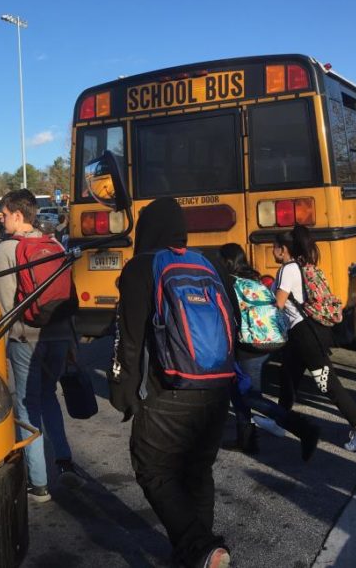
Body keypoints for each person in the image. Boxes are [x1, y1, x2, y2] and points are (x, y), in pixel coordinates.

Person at [112, 198, 231, 568]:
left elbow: (129, 341)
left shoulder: (140, 268)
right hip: (218, 386)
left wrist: (124, 391)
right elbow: (234, 325)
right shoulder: (209, 263)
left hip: (171, 390)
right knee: (198, 471)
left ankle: (201, 549)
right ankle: (196, 556)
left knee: (154, 469)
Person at [0, 189, 84, 503]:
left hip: (25, 338)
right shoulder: (54, 244)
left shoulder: (7, 249)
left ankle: (39, 484)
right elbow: (68, 294)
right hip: (58, 336)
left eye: (3, 214)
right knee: (49, 398)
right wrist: (72, 342)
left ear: (18, 215)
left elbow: (3, 307)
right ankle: (65, 461)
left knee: (28, 406)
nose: (1, 219)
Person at [272, 225, 356, 452]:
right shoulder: (300, 266)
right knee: (288, 375)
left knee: (327, 383)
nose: (272, 251)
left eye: (274, 247)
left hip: (306, 335)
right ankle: (279, 421)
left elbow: (278, 304)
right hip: (304, 333)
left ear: (283, 249)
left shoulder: (287, 270)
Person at [218, 243, 319, 460]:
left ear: (225, 262)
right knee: (237, 390)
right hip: (266, 341)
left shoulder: (229, 283)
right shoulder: (253, 279)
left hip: (247, 345)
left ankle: (303, 428)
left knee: (249, 396)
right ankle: (246, 439)